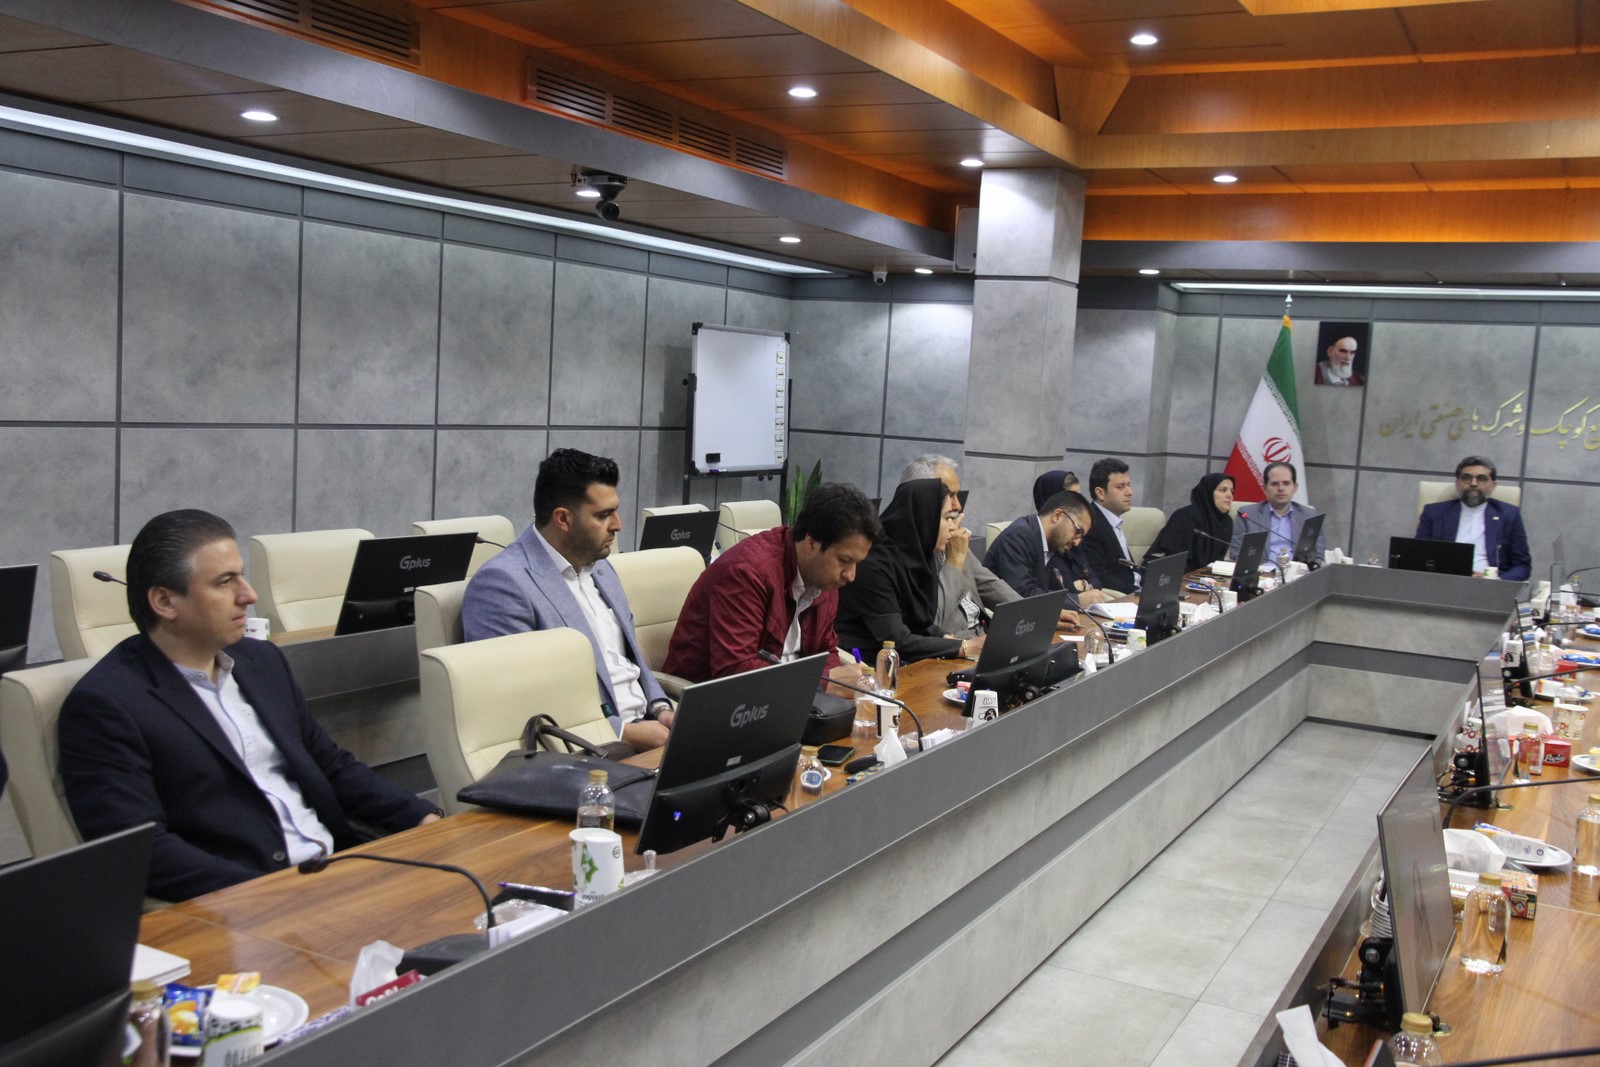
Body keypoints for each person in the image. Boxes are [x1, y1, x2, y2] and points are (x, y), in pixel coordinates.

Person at [57, 510, 439, 902]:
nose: (249, 595)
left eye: (242, 576)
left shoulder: (261, 661)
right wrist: (270, 894)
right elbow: (142, 851)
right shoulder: (106, 706)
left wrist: (421, 816)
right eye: (225, 582)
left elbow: (330, 764)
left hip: (337, 872)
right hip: (243, 904)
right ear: (165, 601)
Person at [463, 448, 672, 751]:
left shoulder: (602, 568)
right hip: (587, 749)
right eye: (603, 515)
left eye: (615, 511)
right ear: (562, 519)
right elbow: (515, 702)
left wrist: (661, 708)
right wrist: (623, 733)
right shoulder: (502, 585)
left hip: (649, 727)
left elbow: (631, 661)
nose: (618, 524)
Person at [662, 483, 882, 683]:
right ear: (811, 543)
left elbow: (825, 651)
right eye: (844, 560)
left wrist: (835, 682)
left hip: (791, 697)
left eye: (857, 563)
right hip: (717, 701)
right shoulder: (746, 574)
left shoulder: (823, 578)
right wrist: (823, 682)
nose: (851, 575)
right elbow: (736, 672)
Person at [836, 479, 982, 664]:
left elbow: (920, 623)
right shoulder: (873, 563)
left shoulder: (920, 556)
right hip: (868, 665)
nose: (953, 527)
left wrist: (944, 637)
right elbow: (895, 640)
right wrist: (964, 647)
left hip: (906, 660)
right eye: (947, 518)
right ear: (924, 518)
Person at [898, 454, 1019, 639]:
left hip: (984, 637)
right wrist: (954, 561)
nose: (958, 505)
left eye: (957, 495)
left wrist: (1036, 614)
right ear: (922, 496)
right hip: (954, 646)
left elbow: (991, 586)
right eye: (949, 495)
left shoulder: (952, 537)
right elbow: (933, 625)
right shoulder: (906, 553)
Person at [1416, 455, 1531, 581]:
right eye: (1466, 478)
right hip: (1444, 581)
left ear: (1493, 485)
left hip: (1489, 585)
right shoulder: (1434, 513)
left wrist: (1497, 580)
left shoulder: (1508, 515)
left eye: (1481, 479)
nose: (1473, 483)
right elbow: (1418, 556)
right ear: (1457, 483)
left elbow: (1522, 565)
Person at [983, 488, 1095, 604]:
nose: (1077, 542)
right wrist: (1079, 600)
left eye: (1082, 536)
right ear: (1057, 516)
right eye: (1078, 531)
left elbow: (1054, 591)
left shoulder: (1051, 545)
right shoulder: (1018, 536)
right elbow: (1023, 595)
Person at [1229, 461, 1326, 565]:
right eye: (1274, 484)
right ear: (1265, 488)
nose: (1281, 488)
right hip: (1260, 572)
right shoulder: (1248, 515)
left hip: (1298, 572)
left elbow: (1318, 554)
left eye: (1286, 483)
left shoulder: (1309, 515)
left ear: (1295, 487)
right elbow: (1235, 552)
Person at [1077, 457, 1140, 594]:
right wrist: (1139, 592)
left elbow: (1129, 571)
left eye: (1128, 485)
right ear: (1100, 493)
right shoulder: (1090, 525)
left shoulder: (1113, 520)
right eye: (1120, 487)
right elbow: (1102, 578)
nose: (1129, 492)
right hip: (1121, 597)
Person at [1146, 473, 1235, 569]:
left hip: (1204, 575)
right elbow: (1174, 559)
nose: (1229, 495)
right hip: (1167, 572)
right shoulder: (1186, 516)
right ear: (1208, 492)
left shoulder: (1227, 522)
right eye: (1223, 490)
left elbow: (1216, 562)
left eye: (1232, 491)